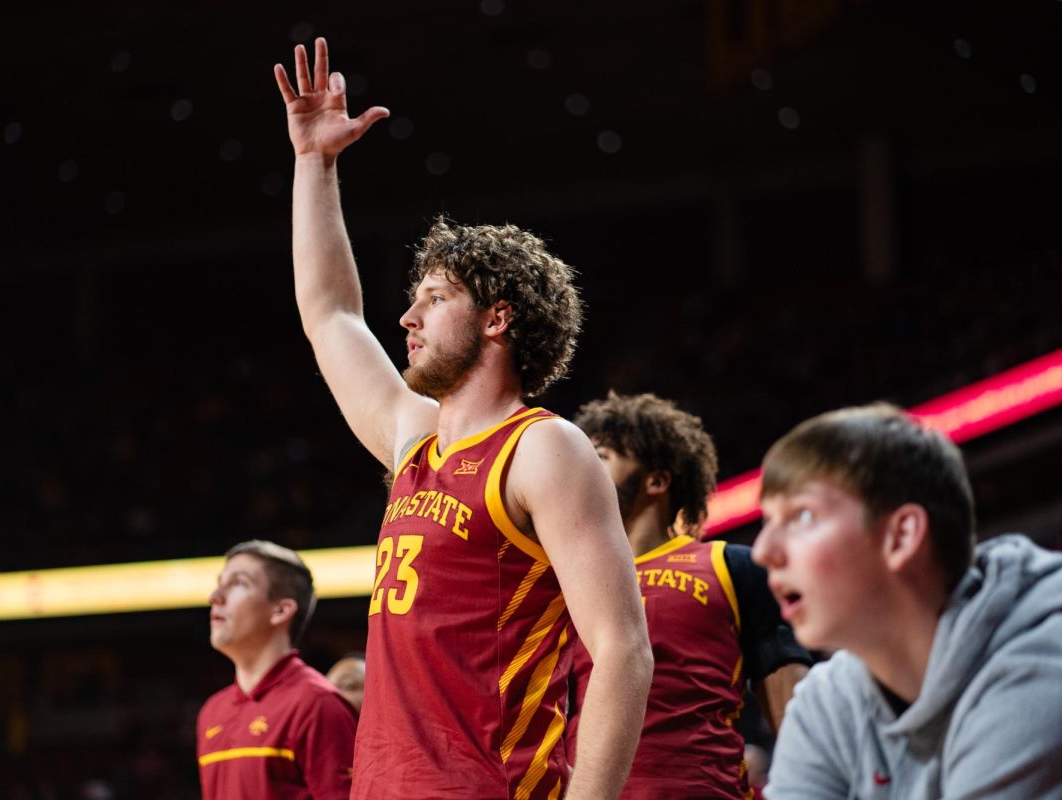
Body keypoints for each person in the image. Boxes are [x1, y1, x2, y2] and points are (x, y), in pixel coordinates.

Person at [273, 37, 652, 800]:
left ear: (497, 320)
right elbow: (331, 315)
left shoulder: (545, 449)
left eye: (436, 298)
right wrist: (314, 166)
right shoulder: (415, 436)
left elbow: (622, 650)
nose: (408, 317)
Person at [752, 403, 1062, 799]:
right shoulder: (826, 703)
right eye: (767, 522)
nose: (763, 551)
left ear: (901, 536)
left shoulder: (1039, 660)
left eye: (802, 516)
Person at [569, 391, 811, 798]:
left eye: (602, 456)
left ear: (657, 481)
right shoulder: (561, 583)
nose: (582, 469)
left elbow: (795, 717)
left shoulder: (730, 565)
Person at [196, 540, 357, 800]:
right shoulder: (212, 711)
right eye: (219, 582)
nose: (215, 596)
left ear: (281, 610)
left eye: (239, 583)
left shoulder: (317, 704)